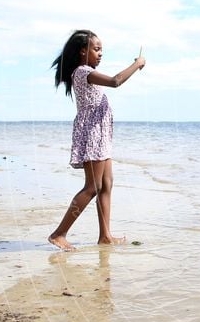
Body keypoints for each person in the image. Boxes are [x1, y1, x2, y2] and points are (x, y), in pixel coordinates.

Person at [48, 30, 146, 251]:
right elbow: (115, 81)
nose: (100, 54)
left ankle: (105, 236)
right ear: (83, 52)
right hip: (92, 134)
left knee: (107, 184)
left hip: (101, 134)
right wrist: (137, 64)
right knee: (92, 187)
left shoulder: (87, 72)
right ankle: (59, 234)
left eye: (102, 50)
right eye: (97, 49)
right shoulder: (82, 72)